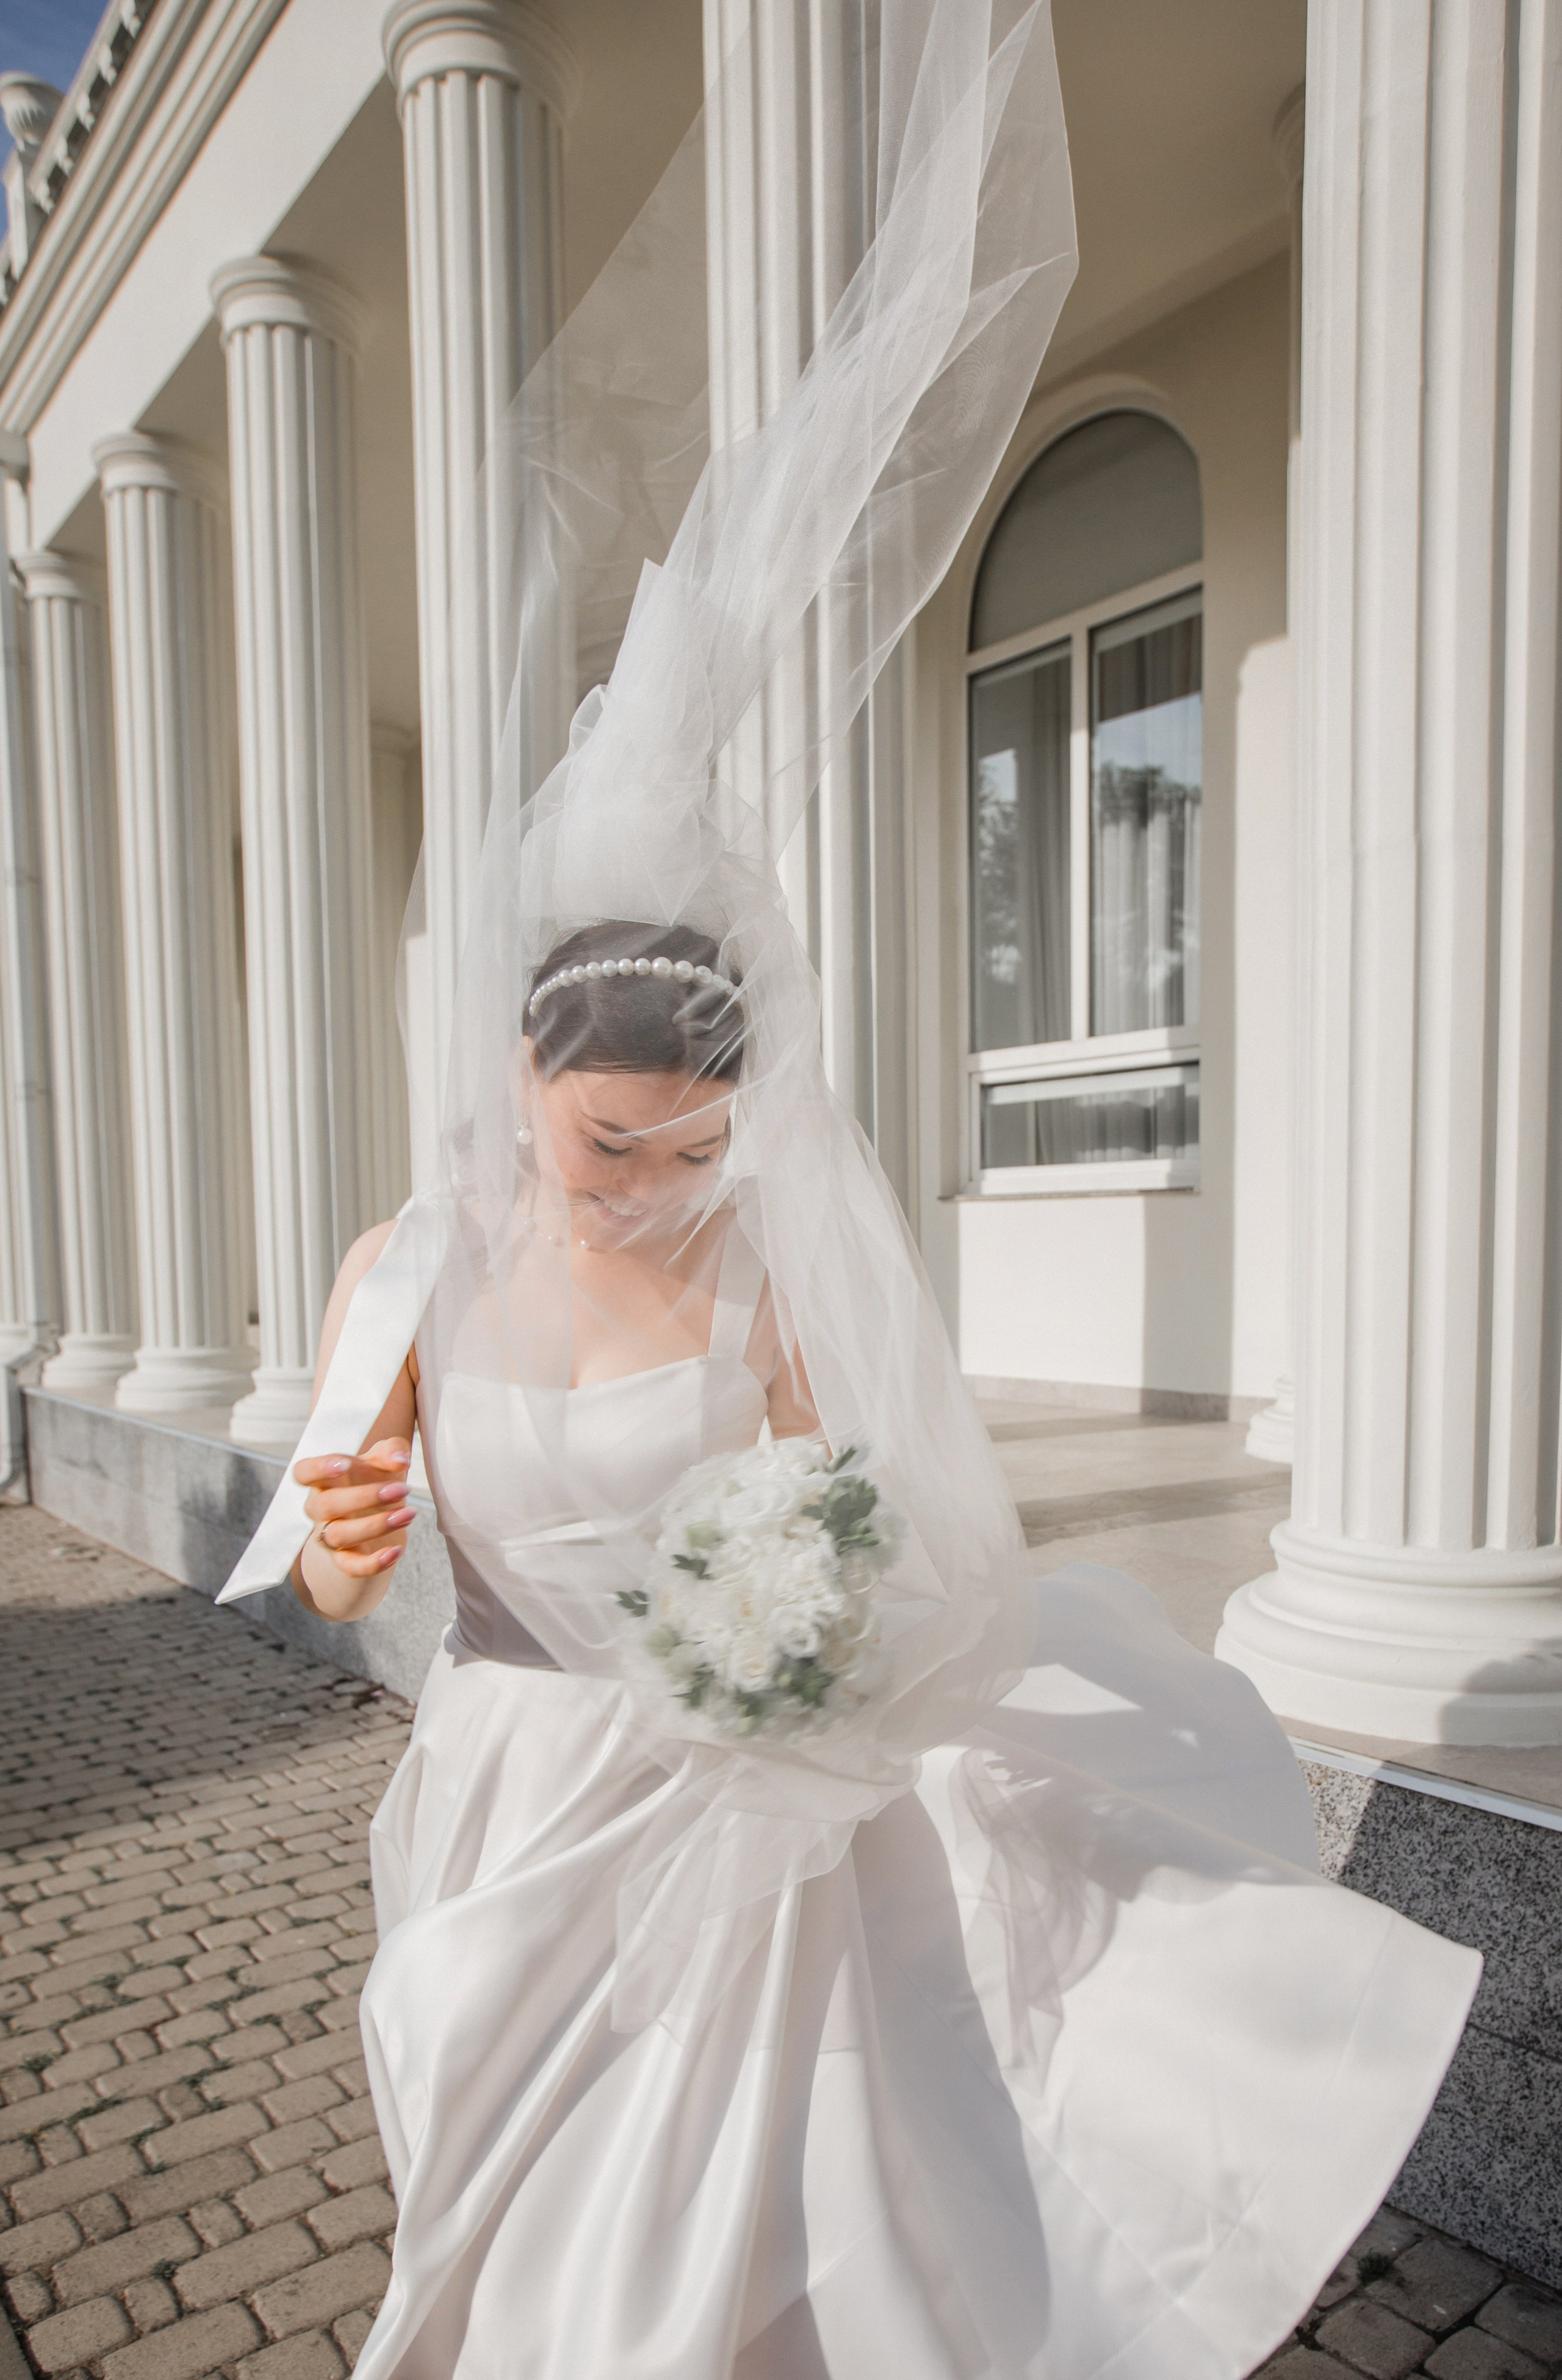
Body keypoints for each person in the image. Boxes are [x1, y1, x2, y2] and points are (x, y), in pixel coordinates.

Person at [218, 4, 1481, 2371]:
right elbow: (354, 1565)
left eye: (696, 1159)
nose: (652, 1201)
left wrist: (800, 1639)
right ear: (517, 1076)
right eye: (613, 1157)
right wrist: (359, 1551)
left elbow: (856, 1519)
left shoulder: (742, 1276)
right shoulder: (397, 1275)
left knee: (720, 2286)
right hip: (511, 1832)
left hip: (738, 1858)